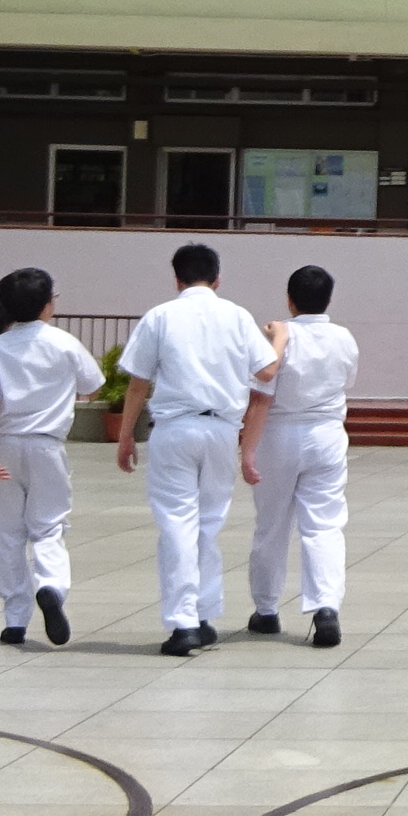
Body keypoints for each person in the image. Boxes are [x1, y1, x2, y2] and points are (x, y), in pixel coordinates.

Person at [114, 243, 274, 660]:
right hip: (222, 428)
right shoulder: (238, 316)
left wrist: (126, 435)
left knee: (176, 525)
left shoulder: (160, 316)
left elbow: (138, 383)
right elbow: (266, 370)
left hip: (174, 427)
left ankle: (182, 621)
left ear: (177, 279)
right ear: (217, 279)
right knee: (208, 524)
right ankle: (204, 615)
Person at [0, 267, 103, 648]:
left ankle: (14, 619)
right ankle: (52, 587)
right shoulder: (65, 343)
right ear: (46, 305)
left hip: (3, 445)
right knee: (48, 526)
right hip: (47, 444)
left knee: (7, 533)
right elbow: (92, 385)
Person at [243, 262, 358, 647]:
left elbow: (260, 399)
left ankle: (266, 609)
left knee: (272, 525)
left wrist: (247, 449)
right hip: (326, 434)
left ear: (290, 301)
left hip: (279, 433)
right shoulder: (344, 338)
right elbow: (347, 381)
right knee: (324, 524)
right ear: (328, 299)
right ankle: (326, 607)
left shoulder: (279, 337)